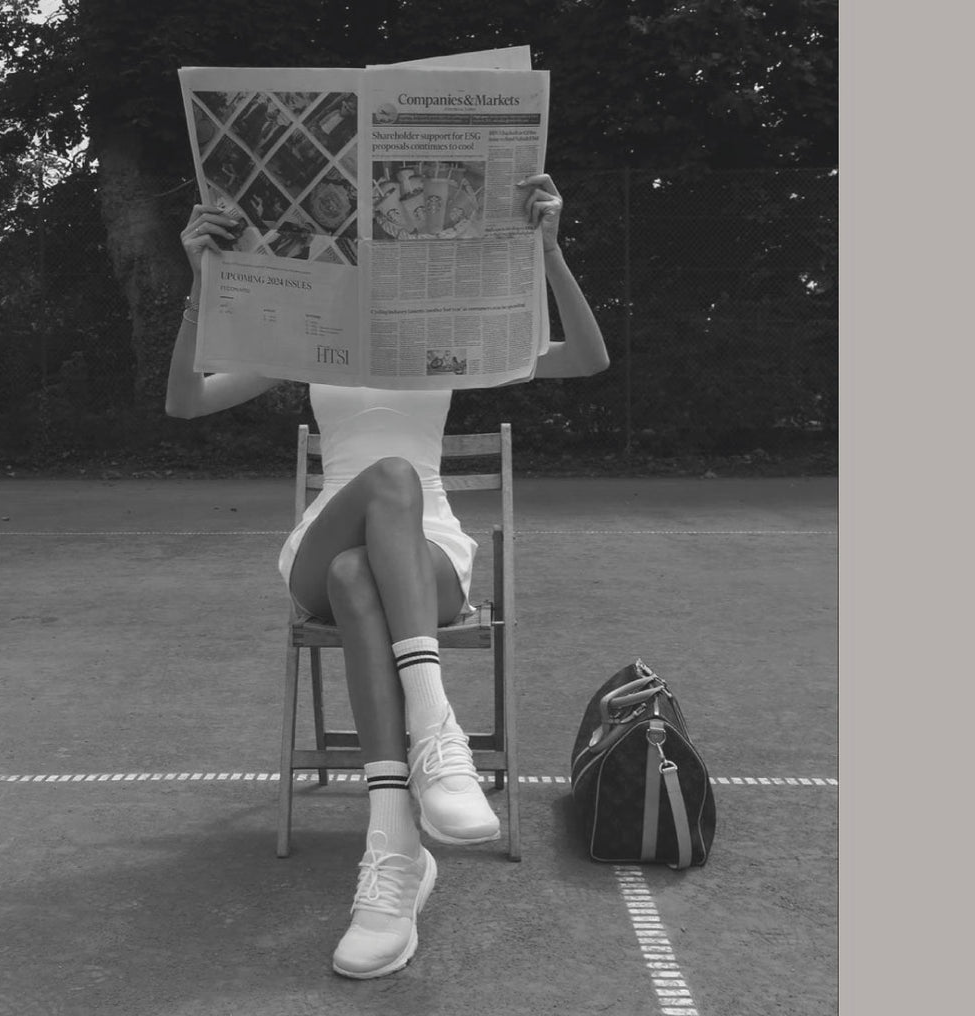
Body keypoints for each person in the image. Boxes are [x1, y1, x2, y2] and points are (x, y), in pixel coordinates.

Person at [167, 173, 608, 978]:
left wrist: (547, 248)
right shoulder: (308, 336)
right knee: (388, 480)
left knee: (356, 571)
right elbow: (187, 403)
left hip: (422, 557)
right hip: (325, 533)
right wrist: (201, 279)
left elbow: (586, 356)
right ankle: (437, 735)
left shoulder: (444, 330)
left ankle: (396, 860)